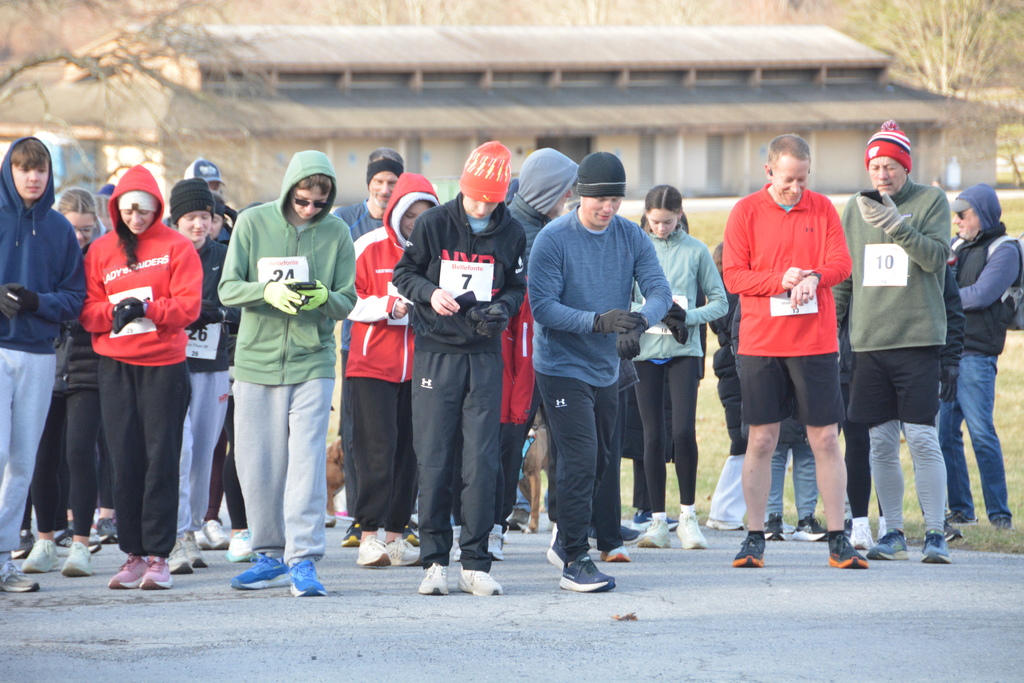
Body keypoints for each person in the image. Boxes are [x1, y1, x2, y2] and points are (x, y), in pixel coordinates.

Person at [529, 151, 672, 592]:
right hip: (559, 365)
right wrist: (598, 322)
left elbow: (658, 289)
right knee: (580, 456)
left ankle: (564, 538)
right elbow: (543, 307)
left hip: (604, 367)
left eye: (615, 199)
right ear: (577, 195)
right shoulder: (553, 239)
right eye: (599, 200)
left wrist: (639, 321)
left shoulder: (630, 236)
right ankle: (575, 558)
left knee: (601, 461)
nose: (607, 208)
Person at [723, 133, 866, 570]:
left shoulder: (821, 208)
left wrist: (815, 278)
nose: (796, 189)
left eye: (803, 179)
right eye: (788, 180)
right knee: (762, 439)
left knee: (824, 438)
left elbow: (843, 263)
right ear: (769, 171)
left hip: (815, 343)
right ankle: (753, 537)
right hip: (761, 344)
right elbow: (734, 277)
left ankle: (839, 539)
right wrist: (780, 280)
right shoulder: (745, 211)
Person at [219, 151, 356, 597]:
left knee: (306, 464)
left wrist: (321, 298)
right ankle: (269, 555)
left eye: (320, 203)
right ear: (289, 190)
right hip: (255, 362)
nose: (311, 210)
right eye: (302, 201)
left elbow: (347, 298)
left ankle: (303, 560)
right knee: (256, 465)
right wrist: (267, 292)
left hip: (312, 362)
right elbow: (227, 287)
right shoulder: (252, 223)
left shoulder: (337, 232)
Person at [393, 141, 525, 597]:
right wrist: (429, 293)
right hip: (436, 352)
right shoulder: (433, 224)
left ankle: (475, 561)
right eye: (475, 197)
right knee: (434, 456)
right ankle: (434, 561)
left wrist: (503, 310)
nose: (482, 207)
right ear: (463, 188)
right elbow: (403, 274)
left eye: (492, 199)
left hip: (484, 356)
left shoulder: (512, 232)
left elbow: (516, 286)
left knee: (482, 460)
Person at [834, 120, 952, 564]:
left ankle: (937, 533)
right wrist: (834, 327)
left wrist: (897, 226)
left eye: (891, 166)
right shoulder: (853, 209)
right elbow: (845, 277)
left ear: (906, 166)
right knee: (880, 443)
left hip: (918, 340)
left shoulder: (931, 201)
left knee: (923, 439)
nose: (882, 175)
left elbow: (937, 258)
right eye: (875, 166)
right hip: (869, 345)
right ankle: (894, 531)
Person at [81, 165, 203, 590]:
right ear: (117, 209)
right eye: (130, 210)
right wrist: (112, 313)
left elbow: (188, 306)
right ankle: (132, 552)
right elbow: (87, 309)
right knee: (123, 456)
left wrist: (148, 309)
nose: (137, 218)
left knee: (162, 458)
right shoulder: (101, 250)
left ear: (158, 210)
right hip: (116, 364)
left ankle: (158, 554)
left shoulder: (177, 247)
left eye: (146, 211)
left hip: (164, 365)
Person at [0, 138, 86, 593]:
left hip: (38, 354)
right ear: (9, 171)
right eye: (23, 168)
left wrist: (38, 301)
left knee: (21, 461)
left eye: (40, 170)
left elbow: (76, 299)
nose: (32, 177)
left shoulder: (57, 229)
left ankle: (4, 560)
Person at [347, 172, 438, 569]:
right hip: (371, 364)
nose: (415, 223)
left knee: (411, 452)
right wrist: (387, 306)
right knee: (375, 449)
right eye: (410, 214)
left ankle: (396, 535)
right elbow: (347, 299)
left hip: (423, 365)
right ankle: (368, 533)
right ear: (396, 212)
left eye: (424, 215)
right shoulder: (366, 246)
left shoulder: (440, 251)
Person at [631, 185, 727, 550]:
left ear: (680, 215)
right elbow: (623, 296)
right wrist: (642, 316)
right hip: (645, 354)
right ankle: (657, 521)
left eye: (668, 222)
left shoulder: (697, 251)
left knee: (683, 432)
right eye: (654, 222)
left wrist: (688, 318)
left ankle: (688, 516)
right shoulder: (636, 248)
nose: (660, 228)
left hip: (684, 352)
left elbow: (720, 303)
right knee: (652, 436)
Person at [21, 189, 105, 578]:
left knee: (80, 453)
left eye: (87, 230)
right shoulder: (46, 247)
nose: (81, 237)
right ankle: (44, 538)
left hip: (90, 365)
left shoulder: (100, 256)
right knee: (42, 454)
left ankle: (83, 543)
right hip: (49, 360)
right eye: (75, 229)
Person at [165, 178, 238, 575]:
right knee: (180, 449)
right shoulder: (166, 254)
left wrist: (221, 313)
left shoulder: (225, 256)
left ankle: (190, 530)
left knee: (206, 449)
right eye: (190, 217)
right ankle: (176, 535)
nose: (198, 225)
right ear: (176, 220)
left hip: (213, 367)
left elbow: (245, 306)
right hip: (171, 367)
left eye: (205, 217)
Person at [333, 148, 404, 545]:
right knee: (357, 431)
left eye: (392, 183)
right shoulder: (347, 221)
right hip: (356, 341)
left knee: (400, 435)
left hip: (406, 346)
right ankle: (361, 517)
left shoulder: (412, 226)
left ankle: (395, 517)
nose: (385, 189)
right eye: (379, 182)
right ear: (368, 184)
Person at [940, 183, 1018, 530]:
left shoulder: (1005, 251)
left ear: (982, 216)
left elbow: (982, 295)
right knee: (944, 434)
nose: (956, 220)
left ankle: (1000, 516)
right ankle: (961, 510)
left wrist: (942, 297)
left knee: (981, 432)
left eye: (963, 214)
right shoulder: (957, 245)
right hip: (948, 353)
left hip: (977, 355)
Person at [707, 242, 747, 531]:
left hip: (727, 364)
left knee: (743, 439)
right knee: (744, 441)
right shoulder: (731, 291)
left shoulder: (716, 289)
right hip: (735, 366)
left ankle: (727, 510)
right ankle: (725, 510)